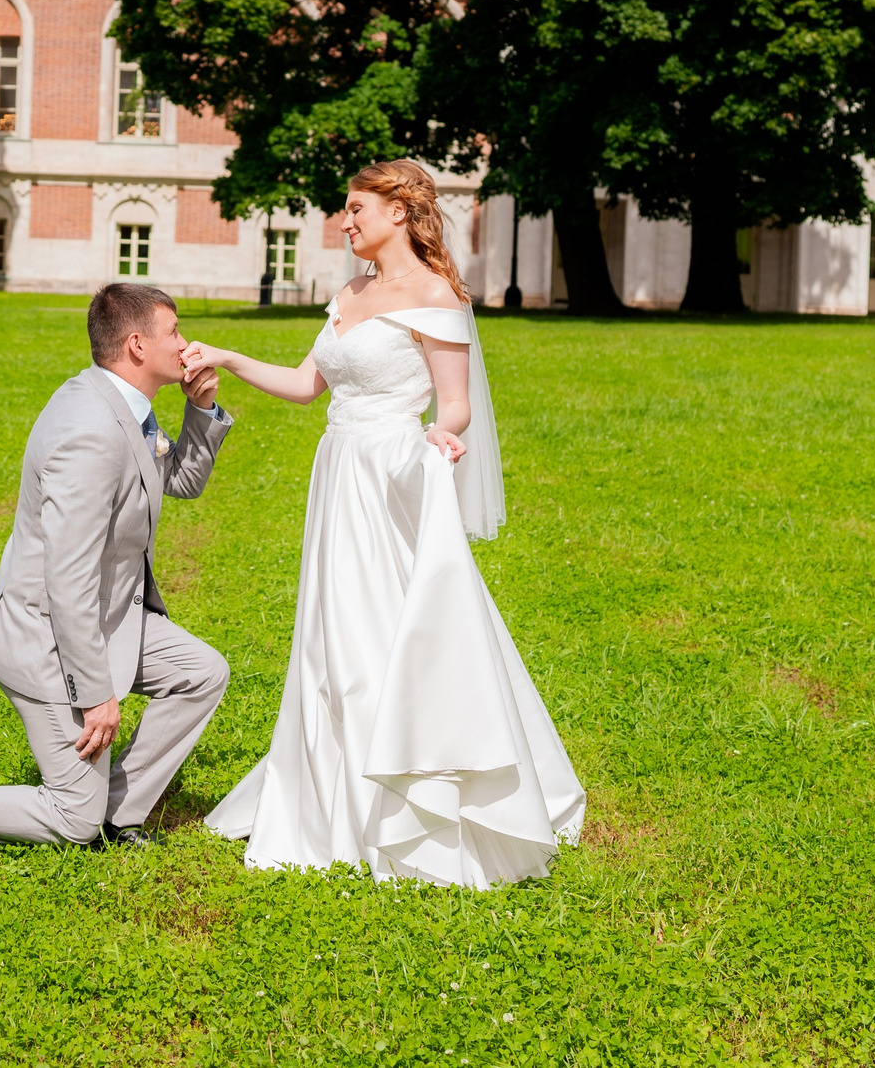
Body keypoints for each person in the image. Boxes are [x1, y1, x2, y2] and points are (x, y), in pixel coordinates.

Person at [182, 159, 585, 887]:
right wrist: (230, 356)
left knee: (390, 627)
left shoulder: (436, 295)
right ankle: (328, 797)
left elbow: (455, 401)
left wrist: (444, 433)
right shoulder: (349, 292)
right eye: (345, 209)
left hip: (392, 472)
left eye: (356, 207)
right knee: (331, 635)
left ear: (400, 212)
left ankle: (413, 793)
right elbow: (309, 387)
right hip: (339, 471)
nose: (345, 220)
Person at [0, 283, 233, 854]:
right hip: (47, 635)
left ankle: (121, 812)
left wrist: (200, 410)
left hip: (106, 618)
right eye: (173, 333)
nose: (185, 346)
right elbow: (68, 575)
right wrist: (96, 691)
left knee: (200, 672)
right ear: (136, 345)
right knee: (71, 819)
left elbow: (179, 480)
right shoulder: (91, 430)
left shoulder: (123, 404)